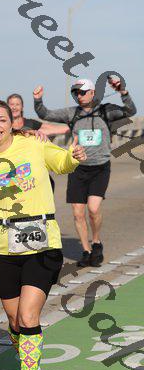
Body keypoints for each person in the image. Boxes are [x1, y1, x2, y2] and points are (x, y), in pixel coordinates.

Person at [0, 99, 86, 370]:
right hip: (2, 247)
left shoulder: (34, 144)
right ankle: (29, 358)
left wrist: (73, 156)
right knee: (14, 322)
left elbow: (61, 162)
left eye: (2, 119)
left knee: (27, 317)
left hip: (42, 244)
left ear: (12, 123)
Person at [33, 77, 137, 267]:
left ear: (92, 93)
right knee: (77, 213)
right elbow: (45, 114)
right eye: (76, 93)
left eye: (82, 92)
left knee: (93, 209)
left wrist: (123, 91)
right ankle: (86, 251)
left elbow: (130, 110)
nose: (79, 96)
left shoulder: (105, 111)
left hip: (100, 167)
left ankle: (96, 242)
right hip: (78, 168)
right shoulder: (72, 113)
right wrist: (38, 99)